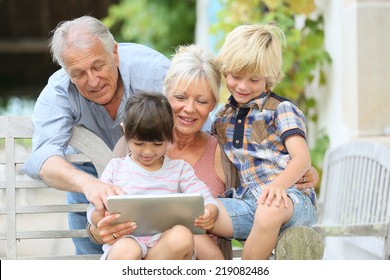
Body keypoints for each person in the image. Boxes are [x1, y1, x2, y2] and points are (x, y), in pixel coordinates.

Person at [88, 44, 318, 259]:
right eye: (180, 97)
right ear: (166, 93)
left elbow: (259, 182)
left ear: (213, 105)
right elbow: (100, 211)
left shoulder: (225, 146)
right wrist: (100, 230)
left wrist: (304, 172)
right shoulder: (133, 144)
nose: (189, 108)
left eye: (201, 101)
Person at [21, 15, 170, 255]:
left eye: (98, 66)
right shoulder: (59, 91)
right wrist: (88, 185)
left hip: (158, 177)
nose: (92, 81)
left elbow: (195, 131)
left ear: (115, 53)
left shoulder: (155, 72)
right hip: (89, 179)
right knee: (90, 259)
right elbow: (43, 158)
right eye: (78, 73)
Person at [209, 22, 318, 260]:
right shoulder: (222, 118)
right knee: (200, 212)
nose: (243, 86)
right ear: (225, 70)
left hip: (290, 202)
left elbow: (302, 158)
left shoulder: (281, 110)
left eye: (254, 80)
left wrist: (279, 185)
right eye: (235, 76)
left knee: (269, 210)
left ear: (269, 78)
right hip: (249, 204)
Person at [87, 92, 219, 260]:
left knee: (182, 235)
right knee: (128, 249)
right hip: (126, 244)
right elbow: (92, 209)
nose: (148, 152)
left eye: (157, 144)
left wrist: (209, 213)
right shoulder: (116, 167)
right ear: (125, 130)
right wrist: (102, 217)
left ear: (169, 133)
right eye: (139, 144)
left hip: (165, 249)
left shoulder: (179, 170)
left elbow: (206, 198)